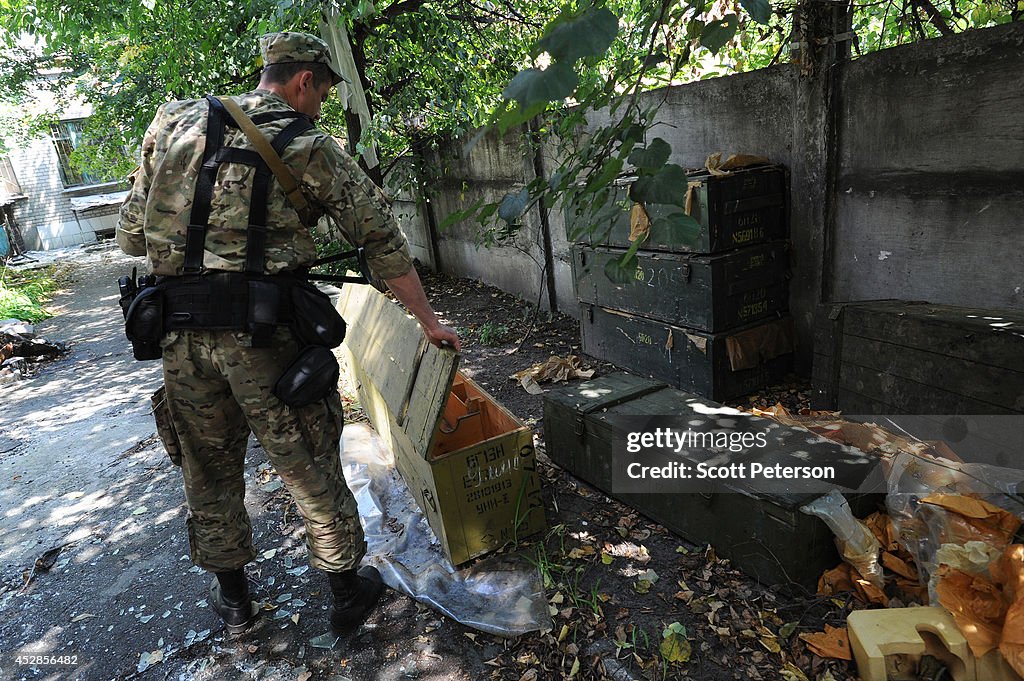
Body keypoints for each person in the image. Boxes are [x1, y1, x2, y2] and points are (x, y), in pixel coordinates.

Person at [116, 30, 460, 635]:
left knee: (207, 467)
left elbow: (131, 237)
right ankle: (346, 594)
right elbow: (381, 241)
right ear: (305, 81)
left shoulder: (171, 124)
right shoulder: (306, 143)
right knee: (307, 463)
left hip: (181, 339)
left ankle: (235, 601)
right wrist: (429, 324)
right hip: (264, 341)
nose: (321, 105)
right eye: (323, 92)